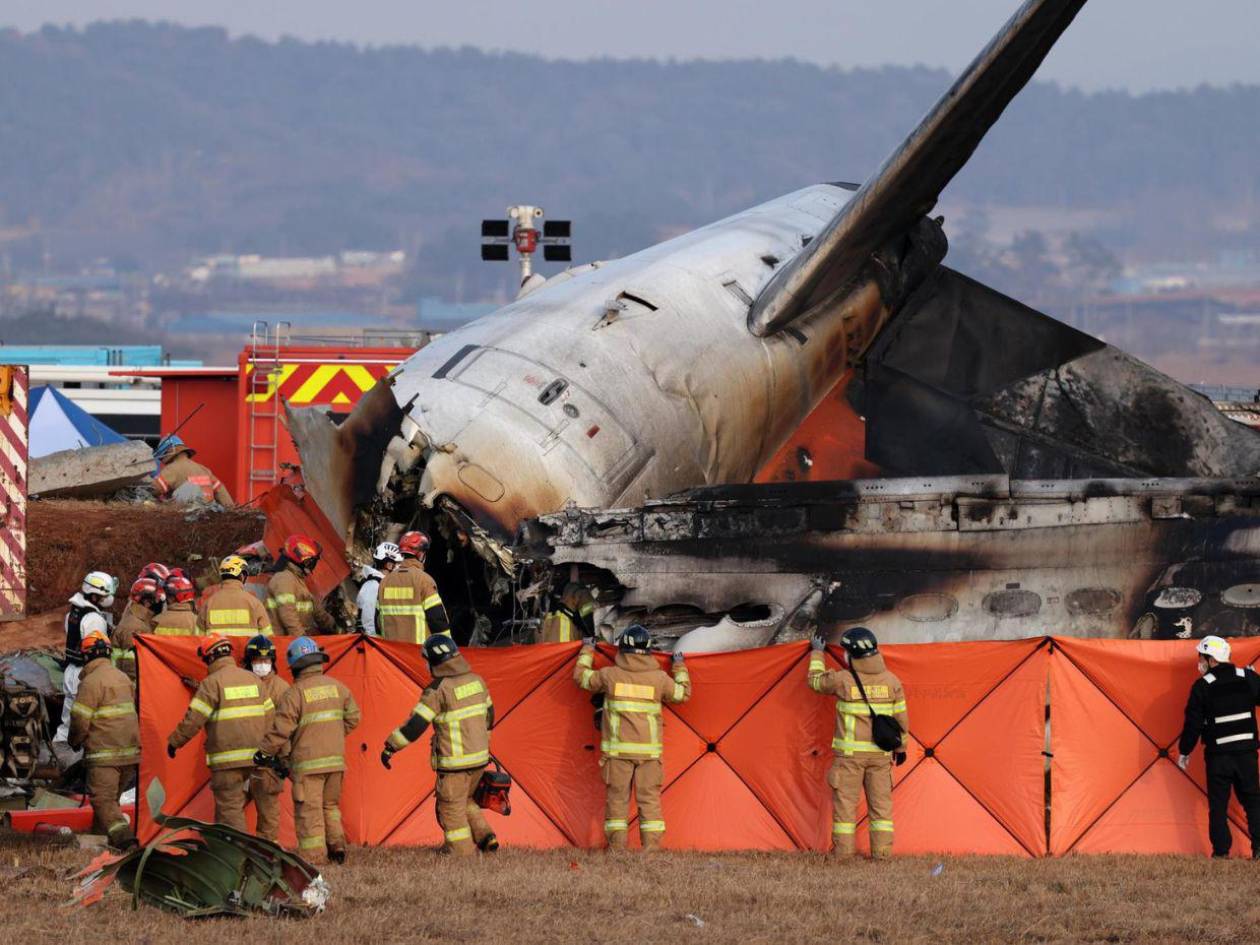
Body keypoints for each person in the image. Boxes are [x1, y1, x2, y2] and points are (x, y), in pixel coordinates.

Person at [573, 625, 690, 850]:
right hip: (649, 756)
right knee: (650, 802)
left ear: (622, 649)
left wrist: (588, 650)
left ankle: (617, 850)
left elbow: (581, 678)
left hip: (618, 754)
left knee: (617, 803)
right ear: (648, 651)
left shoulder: (610, 675)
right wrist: (679, 665)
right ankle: (652, 850)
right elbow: (682, 693)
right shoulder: (659, 678)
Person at [380, 634, 498, 855]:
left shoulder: (437, 690)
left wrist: (391, 746)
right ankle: (486, 837)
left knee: (450, 808)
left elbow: (415, 725)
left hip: (454, 765)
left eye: (426, 660)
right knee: (466, 799)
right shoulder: (476, 681)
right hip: (480, 759)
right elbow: (490, 715)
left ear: (434, 660)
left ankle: (462, 853)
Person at [256, 638, 360, 865]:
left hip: (308, 766)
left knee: (309, 811)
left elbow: (280, 730)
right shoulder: (338, 687)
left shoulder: (294, 694)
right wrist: (332, 735)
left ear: (295, 665)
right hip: (335, 763)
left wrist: (263, 753)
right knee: (330, 806)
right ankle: (337, 848)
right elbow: (354, 718)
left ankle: (314, 858)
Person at [807, 626, 908, 858]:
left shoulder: (842, 680)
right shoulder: (892, 681)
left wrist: (817, 653)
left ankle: (843, 855)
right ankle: (882, 854)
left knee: (845, 808)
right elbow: (901, 718)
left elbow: (814, 682)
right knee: (881, 809)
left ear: (850, 654)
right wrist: (901, 748)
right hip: (880, 758)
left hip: (849, 759)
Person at [167, 634, 273, 832]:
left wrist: (174, 742)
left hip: (227, 762)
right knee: (264, 807)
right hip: (258, 758)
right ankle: (257, 851)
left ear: (208, 658)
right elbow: (271, 718)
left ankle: (238, 856)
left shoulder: (211, 684)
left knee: (229, 811)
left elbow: (193, 720)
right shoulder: (255, 680)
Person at [1177, 635, 1260, 859]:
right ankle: (1258, 850)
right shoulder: (1247, 677)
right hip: (1246, 754)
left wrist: (1184, 751)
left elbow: (1192, 724)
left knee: (1218, 806)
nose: (1200, 661)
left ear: (1210, 658)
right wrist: (1254, 678)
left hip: (1218, 757)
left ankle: (1221, 853)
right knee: (1253, 801)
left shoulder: (1202, 686)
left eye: (1201, 657)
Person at [67, 630, 139, 850]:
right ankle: (99, 840)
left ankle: (125, 840)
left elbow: (80, 720)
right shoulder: (123, 678)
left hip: (105, 755)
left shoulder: (91, 682)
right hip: (130, 754)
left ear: (86, 656)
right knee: (110, 801)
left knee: (102, 800)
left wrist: (74, 741)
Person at [53, 571, 118, 763]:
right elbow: (96, 650)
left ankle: (61, 755)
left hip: (72, 670)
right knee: (81, 718)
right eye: (105, 595)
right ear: (95, 594)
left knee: (69, 716)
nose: (108, 599)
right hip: (84, 673)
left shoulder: (74, 612)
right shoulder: (94, 619)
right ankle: (70, 761)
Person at [242, 635, 289, 843]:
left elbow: (287, 727)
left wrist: (284, 759)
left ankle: (266, 854)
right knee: (229, 811)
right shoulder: (239, 684)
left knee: (268, 815)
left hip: (268, 763)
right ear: (248, 662)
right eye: (257, 661)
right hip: (240, 760)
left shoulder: (281, 689)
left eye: (266, 661)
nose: (262, 665)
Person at [377, 531, 450, 644]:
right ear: (421, 554)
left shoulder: (384, 582)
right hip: (417, 655)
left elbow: (377, 621)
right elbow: (437, 619)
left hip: (391, 654)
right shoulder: (424, 580)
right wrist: (448, 646)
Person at [266, 534, 334, 635]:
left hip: (292, 642)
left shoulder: (296, 580)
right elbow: (288, 616)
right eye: (312, 561)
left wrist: (333, 626)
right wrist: (302, 639)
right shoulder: (284, 579)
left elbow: (316, 609)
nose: (313, 565)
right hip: (284, 644)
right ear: (304, 560)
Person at [151, 434, 234, 507]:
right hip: (207, 516)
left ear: (168, 452)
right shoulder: (203, 469)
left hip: (183, 518)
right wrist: (231, 511)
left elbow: (154, 489)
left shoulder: (172, 469)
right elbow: (221, 491)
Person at [200, 554, 272, 637]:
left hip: (218, 649)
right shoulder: (255, 603)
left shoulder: (208, 604)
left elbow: (198, 640)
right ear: (242, 576)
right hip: (246, 650)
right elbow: (268, 639)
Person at [112, 577, 165, 684]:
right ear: (147, 602)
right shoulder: (136, 628)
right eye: (158, 600)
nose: (160, 604)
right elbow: (133, 670)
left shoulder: (137, 620)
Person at [356, 542, 401, 635]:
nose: (401, 568)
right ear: (389, 565)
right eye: (398, 564)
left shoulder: (381, 584)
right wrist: (375, 642)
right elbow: (369, 620)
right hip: (375, 644)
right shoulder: (374, 585)